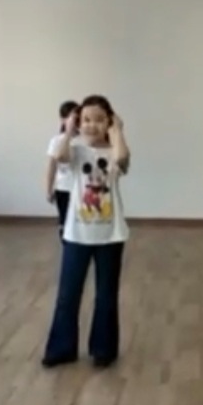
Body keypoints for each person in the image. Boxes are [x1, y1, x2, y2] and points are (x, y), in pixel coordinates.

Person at [42, 95, 131, 369]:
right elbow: (59, 155)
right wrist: (69, 130)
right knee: (68, 294)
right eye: (87, 120)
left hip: (111, 235)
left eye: (100, 120)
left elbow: (122, 159)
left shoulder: (115, 150)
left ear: (109, 122)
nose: (92, 125)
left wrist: (118, 130)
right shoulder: (76, 150)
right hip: (76, 235)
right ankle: (62, 348)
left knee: (106, 295)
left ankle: (103, 349)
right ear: (78, 122)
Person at [46, 100, 80, 236]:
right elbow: (51, 167)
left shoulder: (85, 140)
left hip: (82, 189)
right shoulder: (56, 141)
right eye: (73, 117)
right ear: (63, 119)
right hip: (64, 189)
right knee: (65, 222)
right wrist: (48, 189)